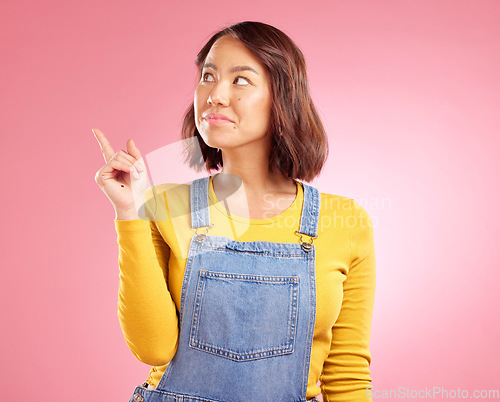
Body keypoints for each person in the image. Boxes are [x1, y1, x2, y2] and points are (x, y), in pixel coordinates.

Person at [94, 21, 376, 402]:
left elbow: (346, 377)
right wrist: (129, 212)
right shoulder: (165, 205)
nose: (215, 95)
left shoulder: (344, 223)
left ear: (283, 97)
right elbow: (154, 349)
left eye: (240, 80)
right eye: (207, 76)